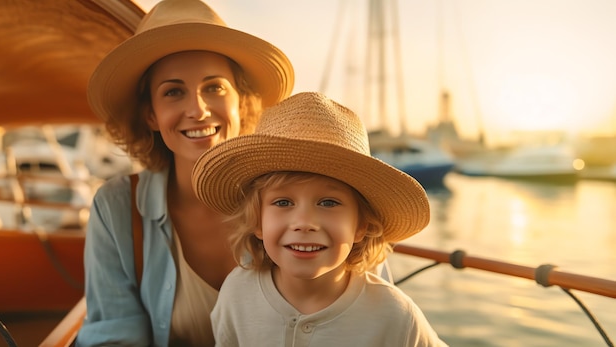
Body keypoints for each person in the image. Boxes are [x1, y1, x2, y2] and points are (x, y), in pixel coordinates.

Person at [76, 0, 294, 346]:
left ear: (242, 102)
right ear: (151, 115)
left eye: (214, 87)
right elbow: (114, 337)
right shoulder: (117, 207)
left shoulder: (298, 194)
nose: (197, 109)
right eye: (174, 92)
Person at [192, 92, 448, 346]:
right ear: (258, 222)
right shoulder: (236, 294)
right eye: (283, 202)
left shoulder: (396, 317)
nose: (304, 222)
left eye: (328, 203)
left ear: (362, 226)